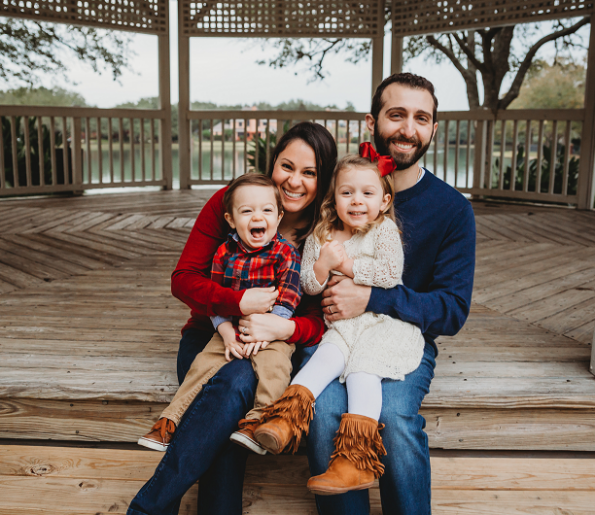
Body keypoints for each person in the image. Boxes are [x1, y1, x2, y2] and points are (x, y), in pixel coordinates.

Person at [127, 121, 337, 515]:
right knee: (228, 404)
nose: (294, 181)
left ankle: (148, 509)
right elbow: (183, 279)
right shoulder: (233, 201)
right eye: (286, 166)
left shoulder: (324, 232)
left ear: (322, 180)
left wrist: (285, 326)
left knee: (234, 385)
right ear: (272, 163)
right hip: (211, 335)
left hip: (273, 347)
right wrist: (236, 304)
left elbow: (322, 318)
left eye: (309, 172)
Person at [302, 73, 476, 514]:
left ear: (433, 129)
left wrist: (371, 298)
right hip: (338, 334)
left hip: (404, 336)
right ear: (372, 122)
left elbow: (452, 309)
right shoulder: (341, 193)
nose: (408, 129)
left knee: (395, 418)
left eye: (422, 118)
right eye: (396, 115)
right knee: (323, 414)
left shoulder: (452, 209)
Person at [253, 152, 426, 496]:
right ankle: (287, 419)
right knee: (324, 357)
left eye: (367, 193)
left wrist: (346, 267)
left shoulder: (384, 230)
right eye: (347, 192)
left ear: (384, 201)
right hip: (343, 327)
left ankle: (355, 461)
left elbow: (390, 275)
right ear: (334, 198)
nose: (357, 200)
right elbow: (308, 285)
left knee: (362, 371)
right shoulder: (322, 235)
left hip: (382, 326)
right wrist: (323, 264)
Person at [137, 173, 302, 455]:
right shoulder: (224, 253)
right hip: (231, 327)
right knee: (202, 364)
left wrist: (269, 329)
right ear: (230, 219)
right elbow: (214, 297)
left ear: (279, 216)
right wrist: (225, 331)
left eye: (266, 210)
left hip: (272, 331)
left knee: (275, 367)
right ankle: (169, 421)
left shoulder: (286, 254)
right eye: (246, 211)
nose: (257, 217)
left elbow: (289, 297)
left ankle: (259, 420)